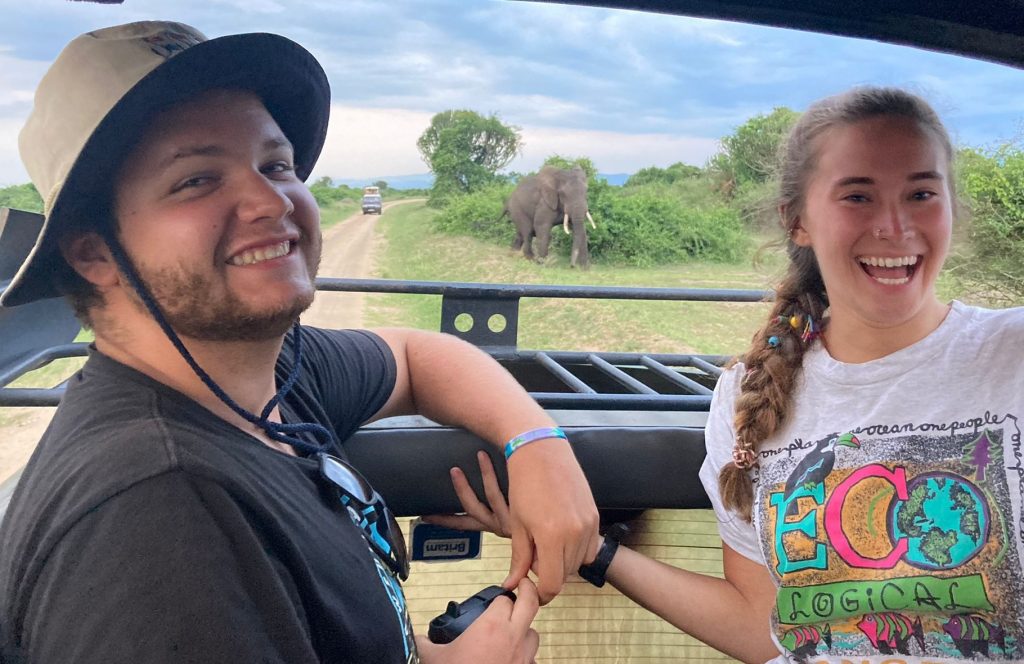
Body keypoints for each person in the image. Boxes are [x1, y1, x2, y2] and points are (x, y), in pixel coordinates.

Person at [0, 21, 601, 664]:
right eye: (197, 180)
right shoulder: (157, 521)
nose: (270, 200)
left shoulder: (265, 377)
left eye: (275, 164)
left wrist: (537, 445)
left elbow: (412, 354)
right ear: (95, 254)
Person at [432, 87, 1024, 663]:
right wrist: (590, 548)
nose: (895, 226)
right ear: (798, 221)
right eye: (858, 197)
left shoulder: (1010, 353)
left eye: (921, 193)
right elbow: (763, 627)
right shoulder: (745, 395)